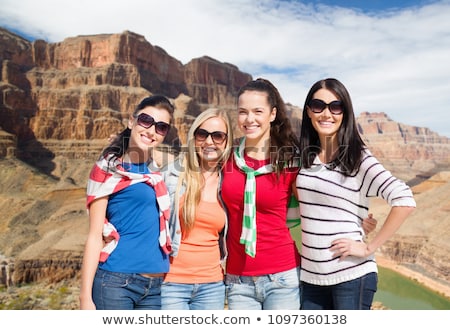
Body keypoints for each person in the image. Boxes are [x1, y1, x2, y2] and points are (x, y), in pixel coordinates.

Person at [296, 78, 416, 310]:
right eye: (318, 105)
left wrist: (368, 248)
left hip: (351, 277)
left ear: (345, 112)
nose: (326, 113)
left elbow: (404, 199)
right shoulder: (305, 157)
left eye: (336, 106)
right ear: (309, 111)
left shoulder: (358, 158)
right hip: (311, 278)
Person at [79, 95, 174, 310]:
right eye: (145, 120)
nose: (151, 130)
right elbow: (94, 235)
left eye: (160, 127)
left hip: (157, 287)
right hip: (116, 283)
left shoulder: (155, 172)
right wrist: (85, 297)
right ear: (132, 121)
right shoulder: (108, 170)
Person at [220, 78, 302, 310]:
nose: (249, 119)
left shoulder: (290, 162)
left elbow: (313, 211)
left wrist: (357, 223)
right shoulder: (226, 158)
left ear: (272, 114)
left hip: (283, 277)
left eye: (258, 111)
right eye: (243, 112)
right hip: (238, 280)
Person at [160, 108, 233, 310]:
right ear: (194, 138)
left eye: (218, 136)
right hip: (171, 284)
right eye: (203, 134)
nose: (209, 142)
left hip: (212, 286)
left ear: (227, 141)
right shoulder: (172, 174)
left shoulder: (229, 183)